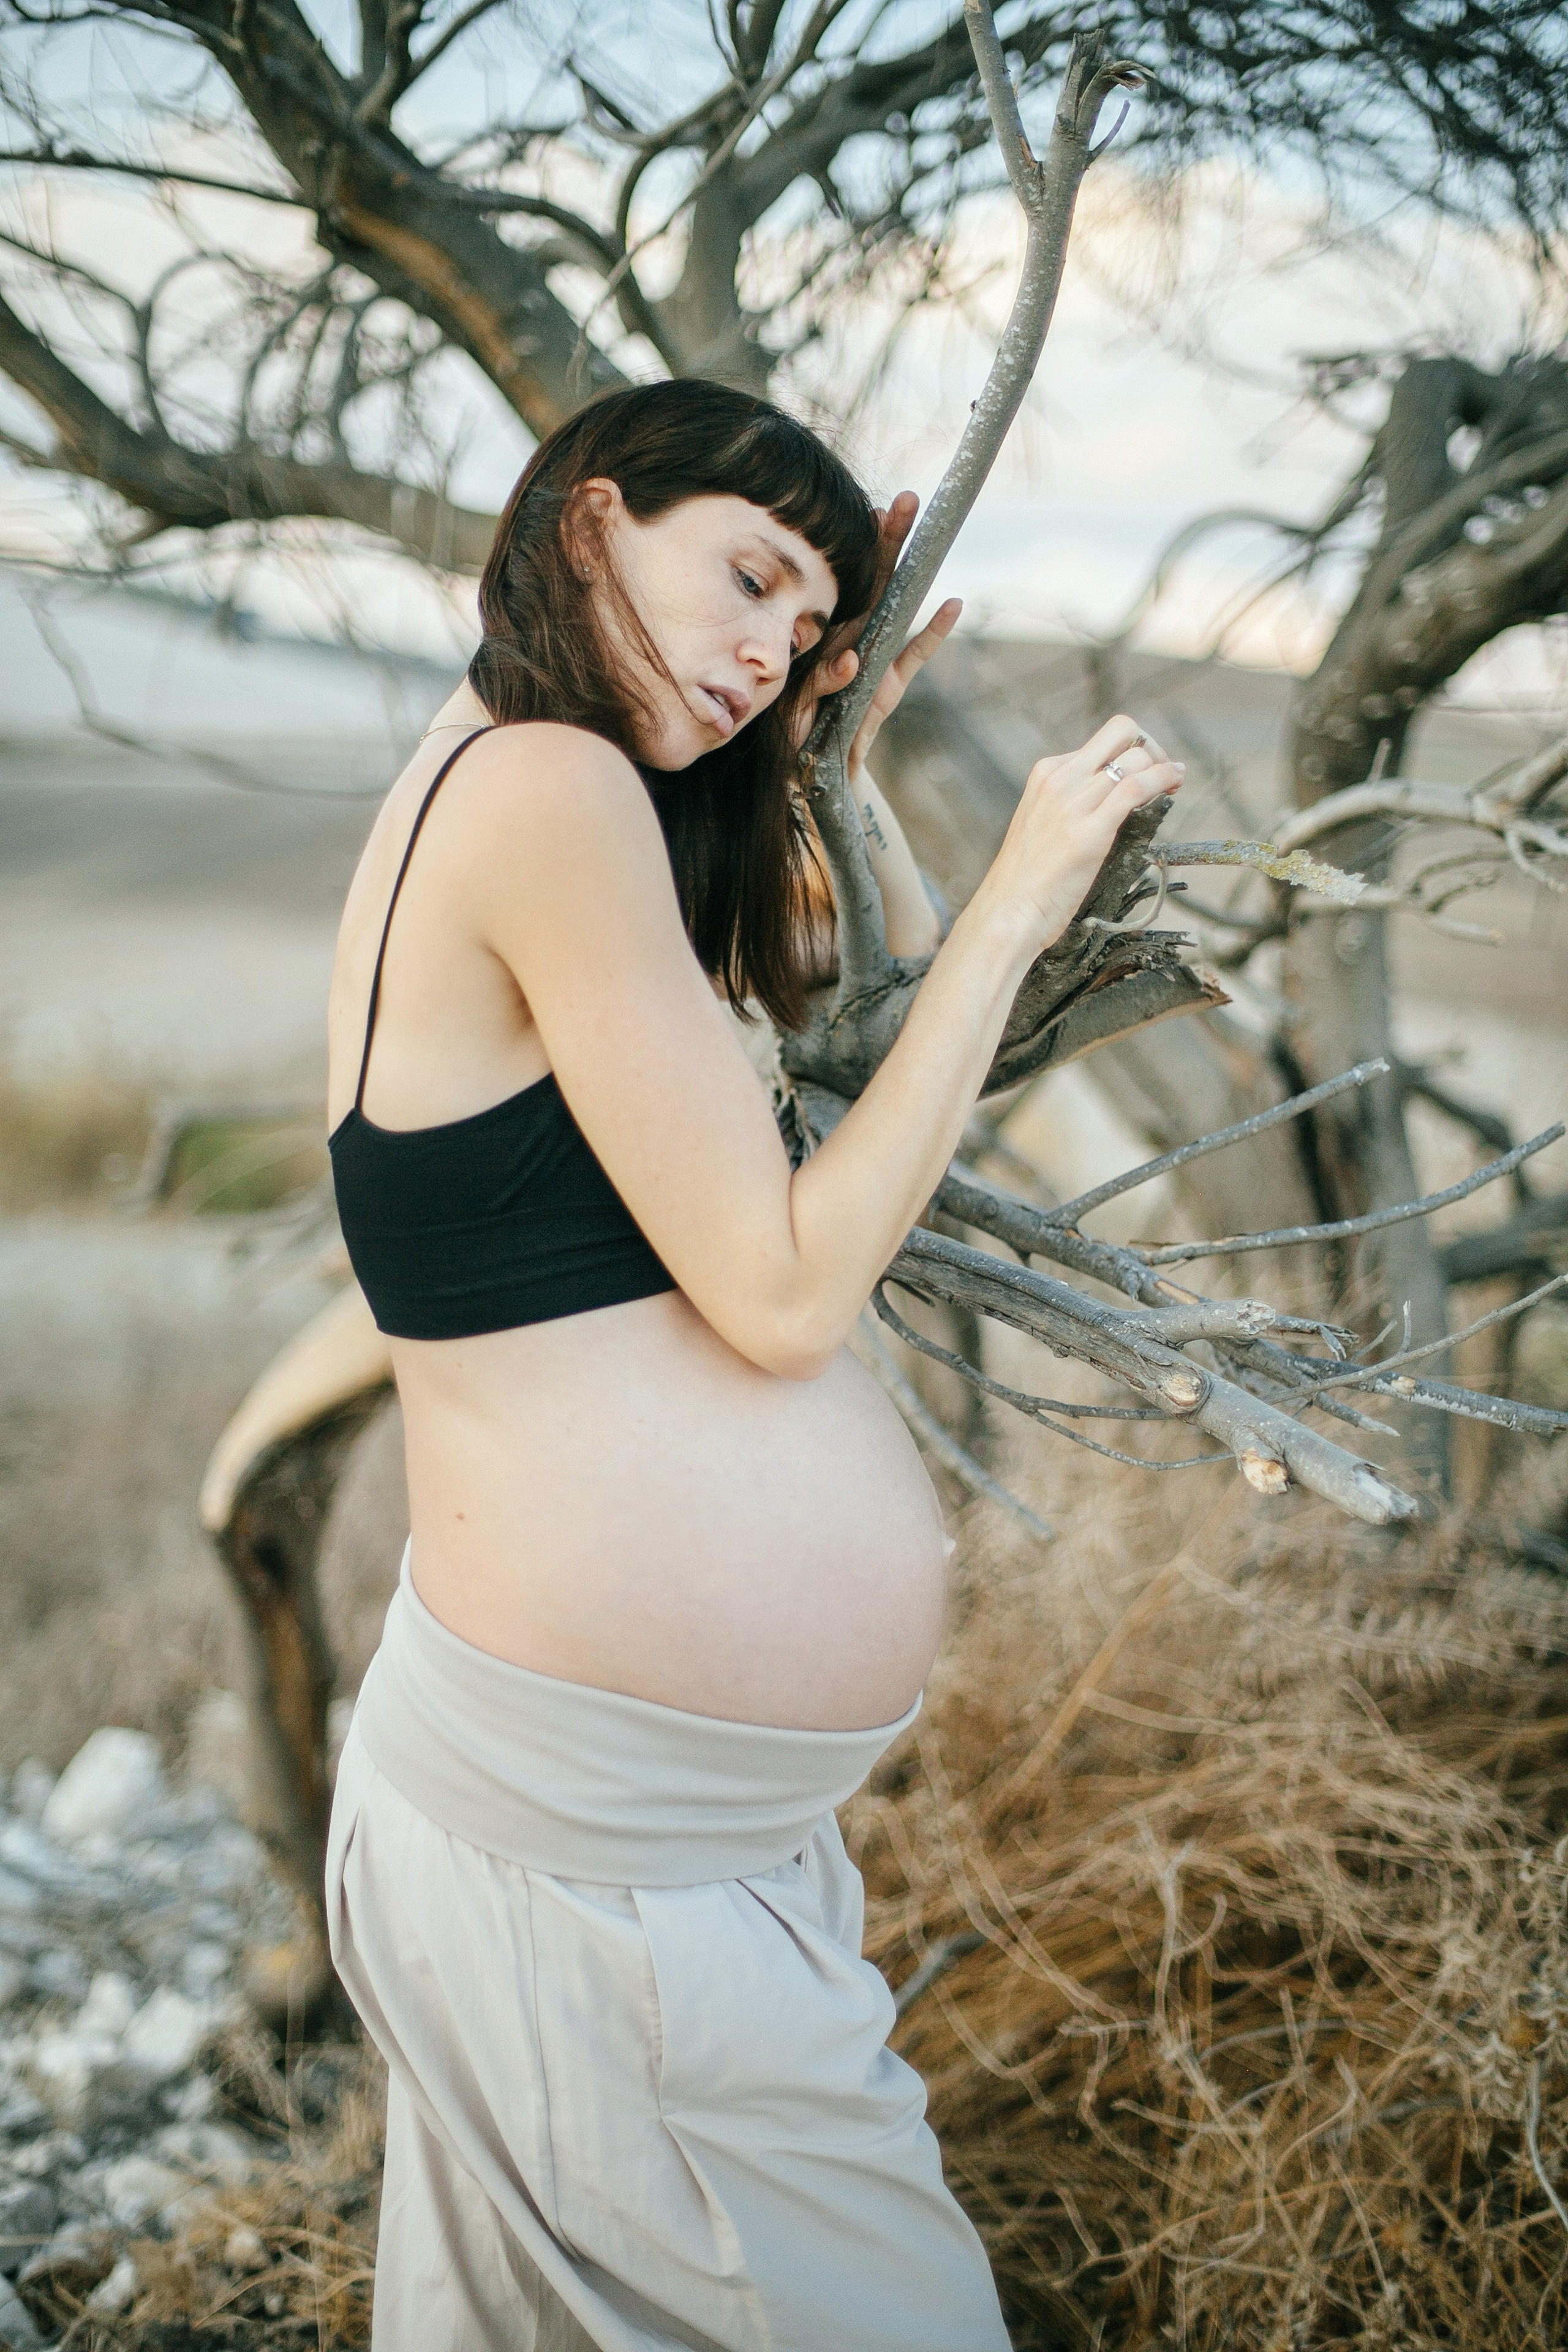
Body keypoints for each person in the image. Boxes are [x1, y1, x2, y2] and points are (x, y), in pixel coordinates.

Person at [323, 377, 1182, 2351]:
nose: (759, 650)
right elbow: (786, 1292)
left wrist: (812, 766)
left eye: (803, 630)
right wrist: (1023, 895)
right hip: (590, 1874)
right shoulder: (544, 790)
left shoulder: (545, 787)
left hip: (626, 1849)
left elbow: (783, 1043)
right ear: (586, 518)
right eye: (746, 576)